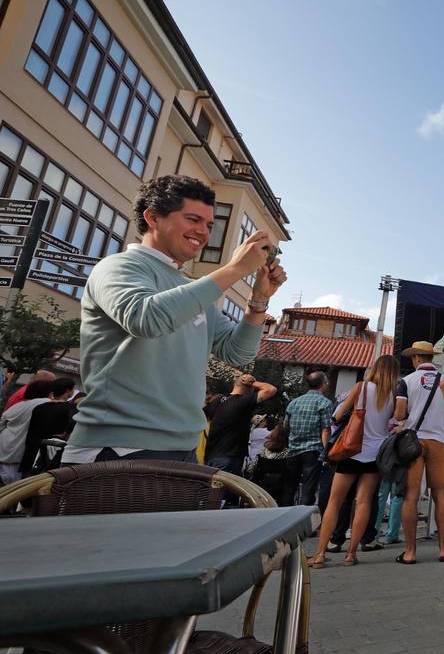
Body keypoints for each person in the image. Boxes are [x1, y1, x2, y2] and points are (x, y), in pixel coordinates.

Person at [64, 175, 285, 463]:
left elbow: (237, 353)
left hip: (184, 449)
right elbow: (147, 319)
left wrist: (258, 302)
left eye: (208, 225)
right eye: (193, 219)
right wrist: (235, 269)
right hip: (119, 448)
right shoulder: (118, 266)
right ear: (153, 217)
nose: (203, 233)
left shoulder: (191, 286)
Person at [309, 355, 401, 568]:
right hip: (377, 454)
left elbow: (338, 415)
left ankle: (321, 554)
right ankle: (351, 554)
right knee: (364, 501)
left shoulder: (361, 387)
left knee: (335, 501)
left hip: (352, 450)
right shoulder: (394, 395)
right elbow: (396, 421)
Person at [394, 342, 444, 564]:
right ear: (431, 358)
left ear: (415, 359)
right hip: (439, 440)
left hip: (414, 442)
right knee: (440, 493)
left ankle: (410, 552)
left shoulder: (406, 381)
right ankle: (443, 549)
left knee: (411, 495)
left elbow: (400, 413)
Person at [204, 373, 278, 478]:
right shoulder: (242, 401)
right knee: (224, 492)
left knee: (210, 492)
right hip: (229, 457)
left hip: (211, 456)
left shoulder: (218, 401)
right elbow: (271, 389)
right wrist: (252, 382)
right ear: (250, 388)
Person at [283, 371, 334, 507]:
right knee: (308, 488)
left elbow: (286, 426)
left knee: (289, 486)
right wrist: (326, 452)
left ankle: (282, 516)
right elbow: (325, 429)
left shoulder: (294, 402)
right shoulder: (325, 403)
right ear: (323, 384)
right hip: (313, 449)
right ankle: (304, 519)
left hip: (293, 449)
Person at [0, 380, 54, 485]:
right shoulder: (46, 403)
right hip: (20, 454)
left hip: (4, 446)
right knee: (11, 489)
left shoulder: (17, 406)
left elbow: (2, 424)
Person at [22, 377, 77, 475]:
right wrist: (66, 434)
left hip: (32, 450)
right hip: (51, 454)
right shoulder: (70, 409)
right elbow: (73, 422)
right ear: (68, 390)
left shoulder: (39, 407)